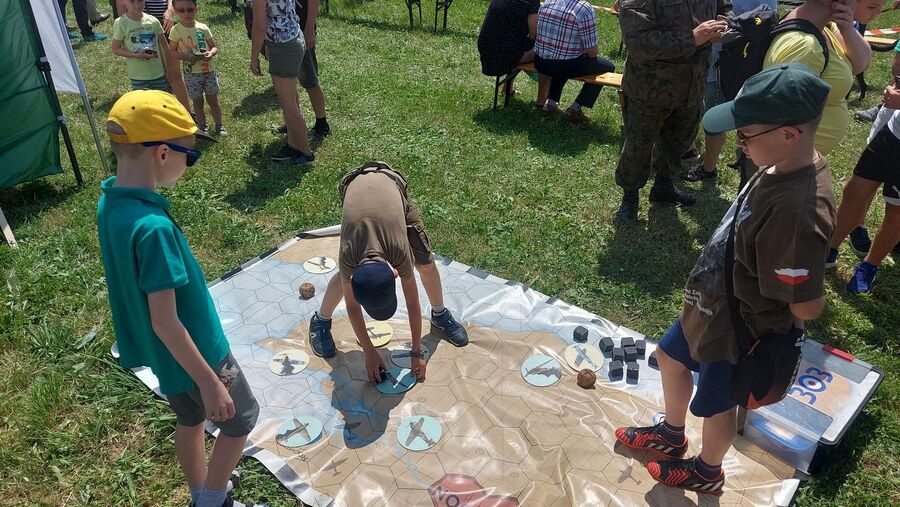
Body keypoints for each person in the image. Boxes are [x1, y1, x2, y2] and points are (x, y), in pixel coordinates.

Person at [615, 64, 835, 495]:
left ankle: (708, 469)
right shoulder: (778, 163)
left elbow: (805, 305)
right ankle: (671, 434)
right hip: (710, 301)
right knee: (672, 357)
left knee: (717, 402)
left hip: (739, 328)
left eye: (746, 134)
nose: (739, 142)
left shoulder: (798, 212)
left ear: (789, 134)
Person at [97, 90, 259, 507]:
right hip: (201, 355)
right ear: (164, 154)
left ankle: (199, 489)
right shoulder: (153, 228)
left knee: (189, 419)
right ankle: (212, 500)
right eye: (192, 156)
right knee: (239, 421)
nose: (191, 163)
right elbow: (167, 321)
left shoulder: (110, 202)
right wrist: (209, 382)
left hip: (166, 357)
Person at [307, 162, 469, 383]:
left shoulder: (400, 253)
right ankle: (320, 321)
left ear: (395, 273)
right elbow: (353, 307)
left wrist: (416, 351)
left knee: (425, 264)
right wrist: (369, 351)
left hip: (390, 182)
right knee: (341, 276)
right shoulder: (349, 258)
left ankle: (439, 314)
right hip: (354, 186)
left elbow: (412, 304)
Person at [614, 0, 730, 222]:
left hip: (691, 87)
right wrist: (693, 39)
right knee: (638, 145)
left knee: (678, 141)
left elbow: (725, 7)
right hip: (649, 90)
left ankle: (663, 187)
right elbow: (638, 42)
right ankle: (630, 196)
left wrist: (722, 25)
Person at [827, 56, 900, 294]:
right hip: (893, 132)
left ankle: (869, 266)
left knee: (896, 212)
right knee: (855, 190)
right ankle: (829, 248)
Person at [682, 0, 777, 183]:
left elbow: (763, 22)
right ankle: (711, 164)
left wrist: (727, 31)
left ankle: (738, 167)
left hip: (736, 63)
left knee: (727, 117)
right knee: (714, 114)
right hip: (715, 61)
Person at [250, 0, 315, 164]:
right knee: (291, 100)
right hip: (292, 37)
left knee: (289, 105)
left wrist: (253, 57)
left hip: (283, 46)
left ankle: (306, 153)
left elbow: (259, 26)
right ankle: (293, 144)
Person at [533, 0, 615, 122]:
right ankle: (575, 108)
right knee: (608, 67)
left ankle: (550, 103)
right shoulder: (584, 9)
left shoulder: (548, 2)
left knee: (563, 58)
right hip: (564, 65)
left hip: (540, 62)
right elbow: (592, 52)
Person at [273, 0, 331, 143]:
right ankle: (292, 123)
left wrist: (310, 28)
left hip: (301, 30)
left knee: (310, 80)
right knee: (287, 82)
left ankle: (322, 124)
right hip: (283, 34)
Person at [477, 0, 550, 108]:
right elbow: (533, 35)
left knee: (519, 44)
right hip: (506, 52)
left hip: (486, 47)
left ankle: (507, 87)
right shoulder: (532, 2)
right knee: (548, 53)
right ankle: (542, 101)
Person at [169, 0, 226, 136]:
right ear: (176, 11)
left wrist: (211, 53)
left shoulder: (203, 27)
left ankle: (219, 126)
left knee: (213, 100)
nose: (186, 13)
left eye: (190, 9)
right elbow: (172, 52)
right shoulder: (176, 30)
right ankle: (203, 126)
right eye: (181, 10)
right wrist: (186, 57)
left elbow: (214, 46)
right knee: (197, 101)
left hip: (208, 71)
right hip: (192, 74)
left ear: (196, 9)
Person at [112, 0, 170, 91]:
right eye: (132, 1)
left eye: (140, 0)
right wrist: (137, 55)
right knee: (143, 104)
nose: (137, 5)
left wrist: (168, 70)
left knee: (162, 102)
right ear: (123, 1)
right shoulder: (121, 23)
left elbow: (164, 47)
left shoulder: (153, 21)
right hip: (138, 77)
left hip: (159, 74)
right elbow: (116, 49)